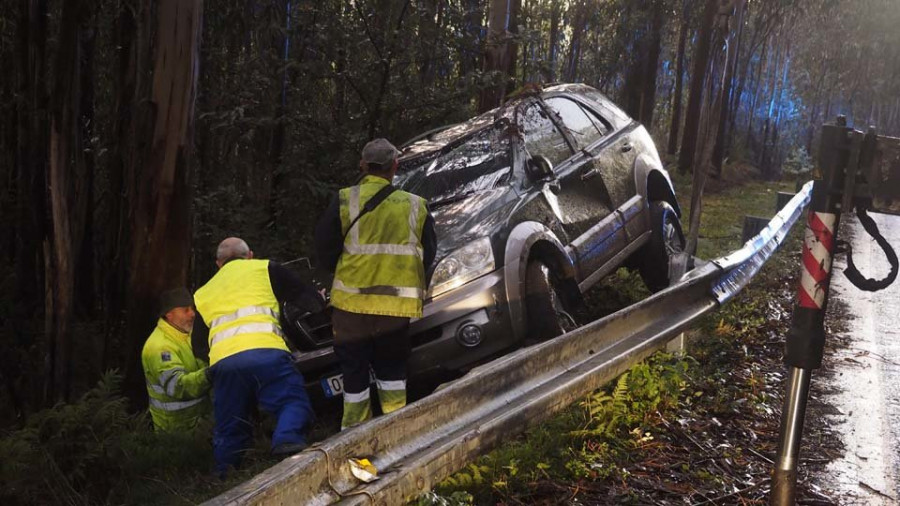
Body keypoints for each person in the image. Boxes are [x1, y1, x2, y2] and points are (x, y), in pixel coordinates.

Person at [315, 138, 437, 429]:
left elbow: (324, 248)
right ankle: (396, 429)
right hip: (394, 308)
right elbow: (428, 253)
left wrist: (346, 273)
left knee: (354, 372)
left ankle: (354, 435)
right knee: (392, 371)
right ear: (394, 166)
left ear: (362, 165)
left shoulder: (344, 200)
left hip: (350, 307)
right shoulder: (415, 206)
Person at [193, 237, 317, 475]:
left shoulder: (202, 293)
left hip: (224, 363)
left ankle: (225, 476)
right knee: (291, 401)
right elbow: (308, 300)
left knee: (230, 423)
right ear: (249, 254)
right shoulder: (265, 268)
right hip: (267, 354)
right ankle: (286, 442)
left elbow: (198, 346)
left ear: (219, 264)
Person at [141, 287, 211, 432]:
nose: (192, 314)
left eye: (192, 308)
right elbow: (176, 386)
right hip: (174, 431)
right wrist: (211, 374)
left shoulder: (188, 334)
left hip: (197, 424)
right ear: (169, 314)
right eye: (185, 310)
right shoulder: (159, 347)